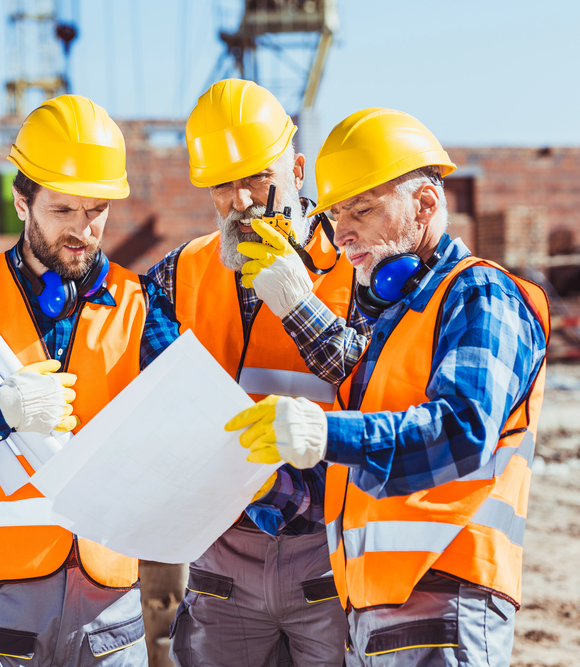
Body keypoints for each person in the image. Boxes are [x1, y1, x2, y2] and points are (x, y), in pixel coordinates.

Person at [226, 108, 550, 666]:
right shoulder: (396, 318)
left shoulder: (480, 294)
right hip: (376, 613)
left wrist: (325, 432)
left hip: (445, 603)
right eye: (333, 216)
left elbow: (462, 429)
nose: (341, 232)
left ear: (425, 206)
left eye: (363, 209)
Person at [0, 95, 181, 666]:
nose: (82, 230)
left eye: (95, 211)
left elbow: (181, 416)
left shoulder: (141, 305)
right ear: (22, 201)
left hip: (109, 610)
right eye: (62, 210)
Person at [148, 79, 371, 667]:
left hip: (326, 549)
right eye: (223, 185)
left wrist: (299, 304)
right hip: (223, 553)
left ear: (297, 169)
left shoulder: (358, 264)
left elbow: (379, 385)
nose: (241, 202)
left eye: (257, 178)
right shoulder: (182, 271)